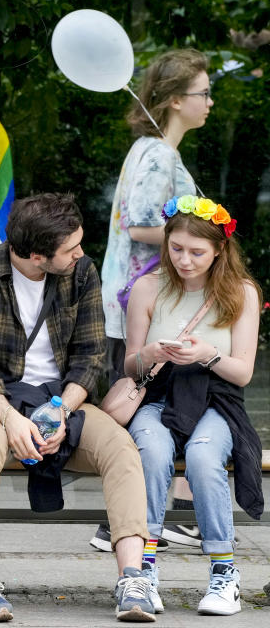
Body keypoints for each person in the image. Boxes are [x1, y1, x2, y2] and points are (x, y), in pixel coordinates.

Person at [0, 193, 154, 622]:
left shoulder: (82, 273)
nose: (80, 253)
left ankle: (134, 577)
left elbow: (92, 357)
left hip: (63, 399)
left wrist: (61, 411)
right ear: (38, 255)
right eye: (70, 249)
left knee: (119, 446)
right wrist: (10, 418)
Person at [96, 48, 214, 552]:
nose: (210, 101)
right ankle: (124, 523)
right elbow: (140, 225)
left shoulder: (155, 150)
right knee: (147, 403)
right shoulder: (159, 154)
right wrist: (200, 238)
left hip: (152, 302)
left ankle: (167, 512)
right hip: (143, 303)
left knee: (166, 402)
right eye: (202, 93)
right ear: (172, 100)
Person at [124, 196, 262, 616]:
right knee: (151, 449)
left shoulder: (242, 293)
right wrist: (150, 352)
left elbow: (242, 373)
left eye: (196, 252)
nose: (184, 260)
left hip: (216, 401)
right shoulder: (147, 288)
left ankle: (224, 572)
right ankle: (142, 568)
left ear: (219, 249)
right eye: (176, 248)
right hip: (160, 394)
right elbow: (129, 366)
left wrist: (206, 355)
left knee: (204, 457)